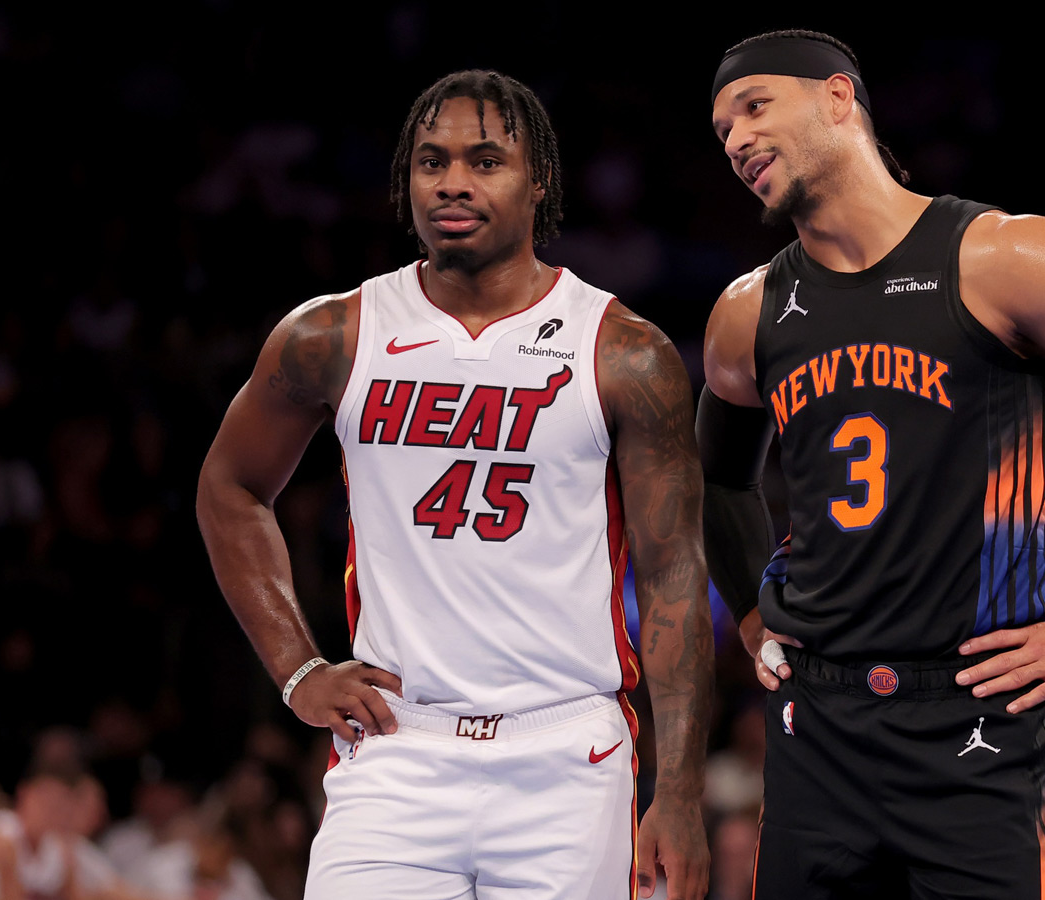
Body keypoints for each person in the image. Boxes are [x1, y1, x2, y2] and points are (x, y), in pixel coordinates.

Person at [700, 30, 1045, 899]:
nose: (734, 139)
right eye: (722, 126)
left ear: (840, 98)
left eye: (755, 106)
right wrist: (751, 621)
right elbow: (722, 480)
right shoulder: (749, 311)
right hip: (819, 729)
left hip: (984, 725)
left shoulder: (1003, 256)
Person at [197, 70, 712, 900]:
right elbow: (229, 485)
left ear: (538, 181)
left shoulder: (622, 350)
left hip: (568, 754)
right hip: (398, 746)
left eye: (485, 160)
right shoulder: (334, 332)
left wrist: (680, 793)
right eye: (431, 162)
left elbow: (675, 577)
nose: (454, 183)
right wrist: (298, 672)